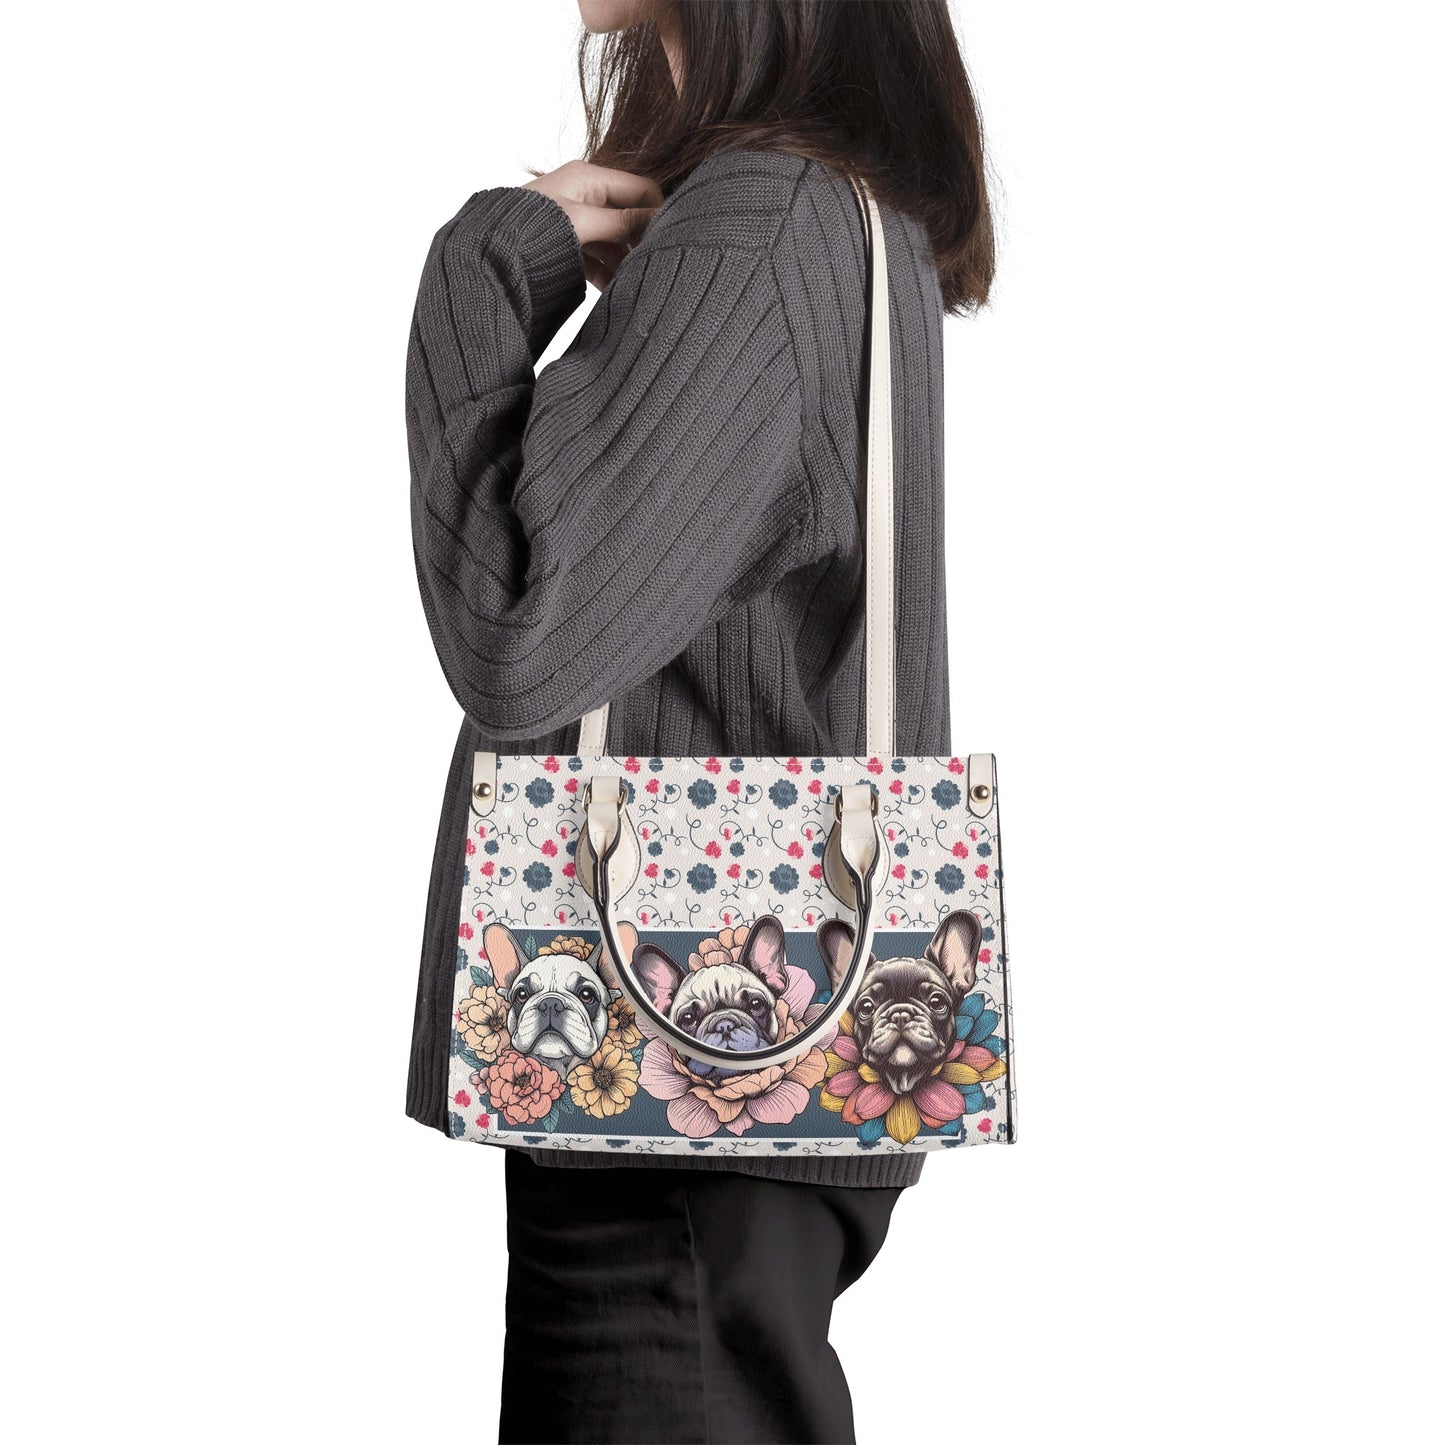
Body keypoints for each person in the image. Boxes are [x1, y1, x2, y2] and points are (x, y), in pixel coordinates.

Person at [403, 2, 995, 1439]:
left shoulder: (757, 226)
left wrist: (485, 267)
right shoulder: (821, 212)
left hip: (673, 1096)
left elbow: (522, 638)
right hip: (719, 1093)